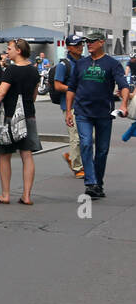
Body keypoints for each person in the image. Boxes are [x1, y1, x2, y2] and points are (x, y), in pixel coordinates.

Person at [65, 31, 131, 199]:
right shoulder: (80, 64)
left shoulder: (112, 64)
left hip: (104, 113)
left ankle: (98, 184)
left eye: (93, 41)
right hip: (82, 112)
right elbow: (71, 88)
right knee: (86, 144)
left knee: (102, 151)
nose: (89, 44)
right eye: (87, 42)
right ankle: (91, 183)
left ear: (101, 42)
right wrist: (68, 111)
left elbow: (123, 85)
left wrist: (123, 104)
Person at [0, 38, 42, 204]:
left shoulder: (11, 70)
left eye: (9, 48)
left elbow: (0, 93)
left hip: (10, 116)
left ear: (18, 50)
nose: (7, 51)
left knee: (5, 155)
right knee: (27, 155)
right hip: (28, 116)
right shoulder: (34, 70)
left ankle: (5, 194)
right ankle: (26, 195)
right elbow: (34, 95)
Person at [52, 34, 87, 176]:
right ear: (69, 47)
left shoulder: (86, 61)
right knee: (76, 137)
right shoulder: (63, 65)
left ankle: (72, 157)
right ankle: (77, 167)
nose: (80, 47)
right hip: (70, 105)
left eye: (81, 44)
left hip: (86, 104)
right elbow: (57, 85)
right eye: (76, 44)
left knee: (88, 137)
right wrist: (73, 89)